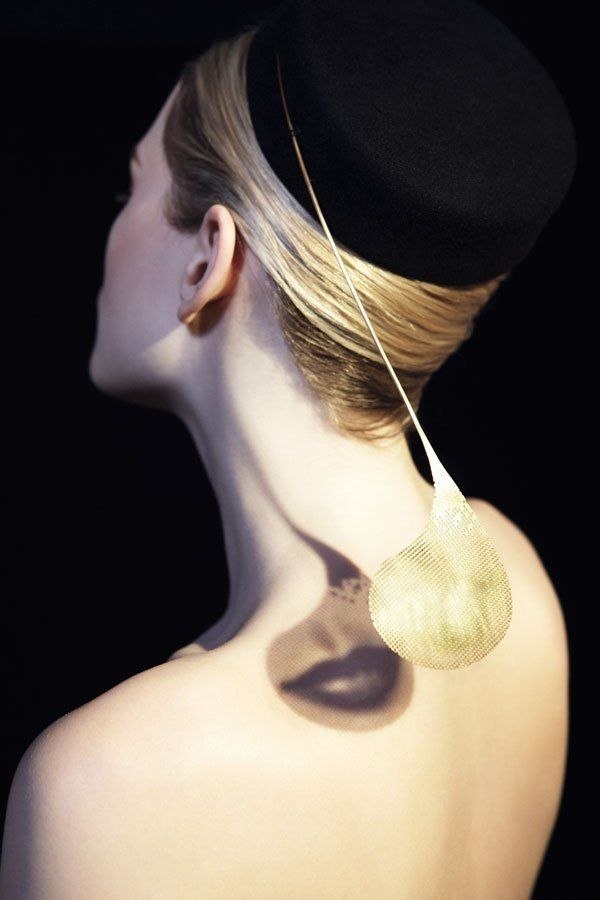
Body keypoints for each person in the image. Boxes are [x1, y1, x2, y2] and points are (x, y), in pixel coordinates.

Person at [0, 1, 575, 897]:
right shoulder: (520, 587)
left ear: (208, 260)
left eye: (131, 189)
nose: (109, 228)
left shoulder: (115, 785)